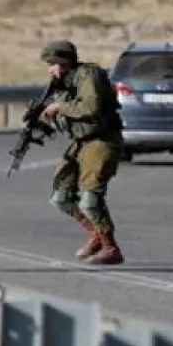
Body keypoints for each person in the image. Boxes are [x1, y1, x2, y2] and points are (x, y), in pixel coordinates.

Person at [37, 40, 126, 265]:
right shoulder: (63, 83)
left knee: (89, 200)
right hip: (80, 143)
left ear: (63, 62)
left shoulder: (89, 76)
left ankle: (110, 247)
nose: (50, 70)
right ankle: (95, 233)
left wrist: (59, 107)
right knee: (61, 198)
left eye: (52, 64)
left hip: (102, 141)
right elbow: (67, 120)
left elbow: (90, 107)